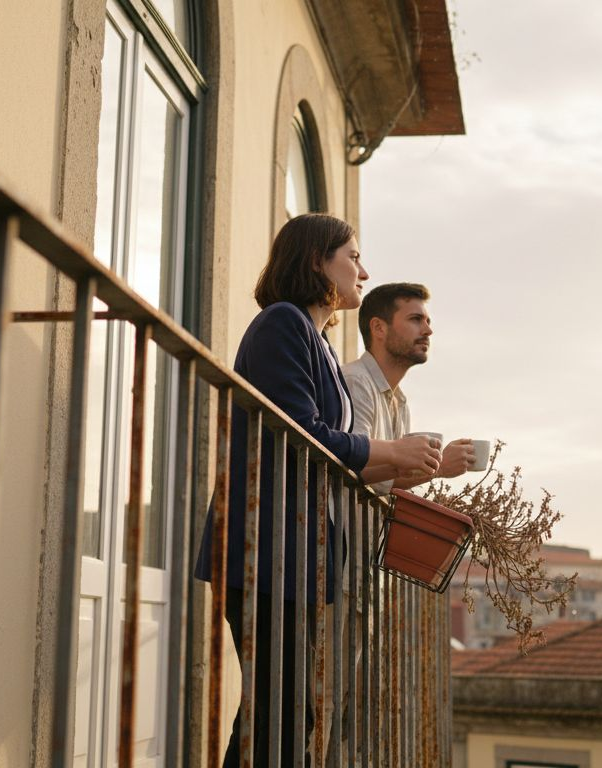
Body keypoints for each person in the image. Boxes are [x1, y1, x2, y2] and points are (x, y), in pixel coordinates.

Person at [193, 214, 441, 767]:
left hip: (292, 552)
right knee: (280, 715)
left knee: (279, 714)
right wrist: (391, 453)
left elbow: (335, 459)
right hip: (267, 545)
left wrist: (404, 466)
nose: (363, 269)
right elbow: (304, 433)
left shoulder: (317, 341)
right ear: (316, 261)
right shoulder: (283, 322)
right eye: (352, 256)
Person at [345, 282, 474, 492]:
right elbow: (352, 470)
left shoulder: (400, 401)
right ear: (379, 328)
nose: (428, 330)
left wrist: (428, 463)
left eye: (427, 321)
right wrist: (437, 466)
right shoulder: (355, 381)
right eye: (415, 320)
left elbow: (383, 482)